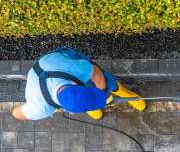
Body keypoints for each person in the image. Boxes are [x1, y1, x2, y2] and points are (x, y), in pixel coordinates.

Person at [12, 48, 146, 121]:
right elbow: (16, 114)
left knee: (107, 82)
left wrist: (103, 91)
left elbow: (97, 75)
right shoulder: (39, 108)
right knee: (82, 100)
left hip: (58, 60)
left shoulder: (76, 69)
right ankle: (92, 107)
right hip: (47, 77)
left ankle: (127, 94)